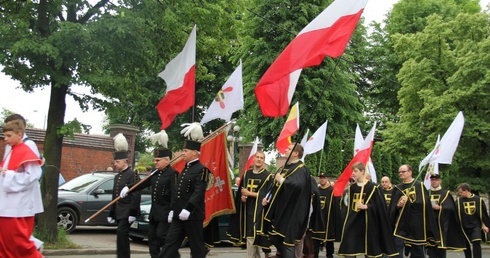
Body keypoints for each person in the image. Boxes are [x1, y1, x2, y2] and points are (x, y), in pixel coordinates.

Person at [120, 147, 177, 258]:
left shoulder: (173, 174)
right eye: (154, 160)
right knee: (152, 238)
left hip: (165, 213)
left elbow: (175, 194)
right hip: (154, 213)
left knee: (162, 236)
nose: (155, 162)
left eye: (158, 160)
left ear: (166, 160)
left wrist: (173, 210)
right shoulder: (155, 173)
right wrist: (128, 188)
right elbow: (142, 183)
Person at [158, 139, 210, 258]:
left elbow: (198, 192)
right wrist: (173, 209)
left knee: (196, 248)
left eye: (186, 151)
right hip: (178, 215)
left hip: (192, 216)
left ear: (194, 152)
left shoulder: (202, 170)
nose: (183, 153)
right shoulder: (185, 169)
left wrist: (188, 209)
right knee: (170, 242)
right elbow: (178, 192)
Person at [0, 119, 44, 258]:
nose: (5, 139)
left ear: (19, 135)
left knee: (18, 242)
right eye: (4, 136)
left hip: (18, 207)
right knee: (5, 243)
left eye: (8, 136)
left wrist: (8, 175)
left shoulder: (26, 150)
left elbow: (33, 175)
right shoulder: (11, 150)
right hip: (7, 205)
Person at [261, 143, 312, 258]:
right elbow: (275, 187)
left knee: (288, 241)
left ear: (296, 153)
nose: (286, 150)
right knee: (273, 236)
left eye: (289, 149)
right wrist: (267, 197)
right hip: (280, 211)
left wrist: (282, 180)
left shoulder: (301, 169)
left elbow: (298, 185)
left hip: (292, 212)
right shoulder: (284, 167)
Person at [338, 162, 398, 257]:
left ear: (362, 172)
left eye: (355, 171)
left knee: (370, 250)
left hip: (369, 222)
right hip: (354, 221)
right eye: (352, 171)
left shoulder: (373, 187)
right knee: (349, 247)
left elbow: (381, 206)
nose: (353, 173)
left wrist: (368, 206)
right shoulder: (352, 188)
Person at [388, 164, 440, 258]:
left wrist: (407, 202)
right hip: (401, 224)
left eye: (403, 171)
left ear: (410, 172)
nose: (400, 173)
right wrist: (399, 204)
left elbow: (424, 204)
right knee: (397, 246)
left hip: (416, 223)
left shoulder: (419, 185)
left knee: (417, 249)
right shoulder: (398, 188)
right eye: (399, 172)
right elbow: (393, 207)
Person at [228, 150, 271, 258]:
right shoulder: (247, 174)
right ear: (254, 158)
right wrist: (243, 197)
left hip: (259, 212)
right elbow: (241, 192)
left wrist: (249, 193)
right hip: (247, 211)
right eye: (257, 157)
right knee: (251, 239)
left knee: (252, 238)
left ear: (264, 161)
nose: (259, 159)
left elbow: (267, 196)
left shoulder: (267, 176)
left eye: (261, 158)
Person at [108, 135, 141, 258]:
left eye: (117, 162)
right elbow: (114, 195)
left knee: (122, 236)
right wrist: (112, 213)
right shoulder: (117, 176)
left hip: (127, 211)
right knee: (120, 236)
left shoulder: (133, 175)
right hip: (119, 211)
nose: (115, 164)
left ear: (125, 161)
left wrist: (133, 212)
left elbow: (136, 195)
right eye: (115, 162)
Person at [426, 174, 467, 258]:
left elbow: (451, 208)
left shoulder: (445, 193)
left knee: (440, 249)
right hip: (430, 224)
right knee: (430, 248)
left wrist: (440, 208)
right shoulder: (427, 192)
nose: (434, 181)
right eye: (432, 180)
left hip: (441, 225)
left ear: (440, 181)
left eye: (436, 180)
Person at [456, 183, 490, 258]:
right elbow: (455, 214)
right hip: (464, 226)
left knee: (476, 242)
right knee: (466, 245)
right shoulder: (459, 201)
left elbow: (483, 214)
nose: (459, 194)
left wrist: (485, 225)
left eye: (461, 192)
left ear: (467, 190)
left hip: (476, 226)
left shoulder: (478, 200)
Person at [312, 173, 336, 258]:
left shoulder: (331, 191)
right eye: (320, 178)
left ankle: (330, 255)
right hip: (318, 219)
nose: (322, 179)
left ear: (327, 179)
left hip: (328, 220)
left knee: (329, 241)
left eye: (324, 178)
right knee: (316, 240)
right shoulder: (316, 190)